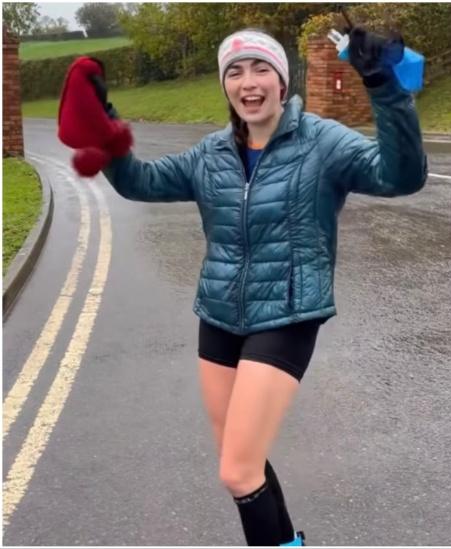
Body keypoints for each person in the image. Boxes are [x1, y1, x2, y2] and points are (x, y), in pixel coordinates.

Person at [58, 28, 426, 546]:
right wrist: (106, 125)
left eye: (260, 69)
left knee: (237, 469)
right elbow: (141, 181)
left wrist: (384, 87)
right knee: (242, 462)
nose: (248, 82)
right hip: (219, 313)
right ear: (225, 85)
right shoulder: (210, 154)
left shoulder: (322, 142)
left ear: (282, 81)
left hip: (289, 313)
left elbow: (400, 175)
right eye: (235, 71)